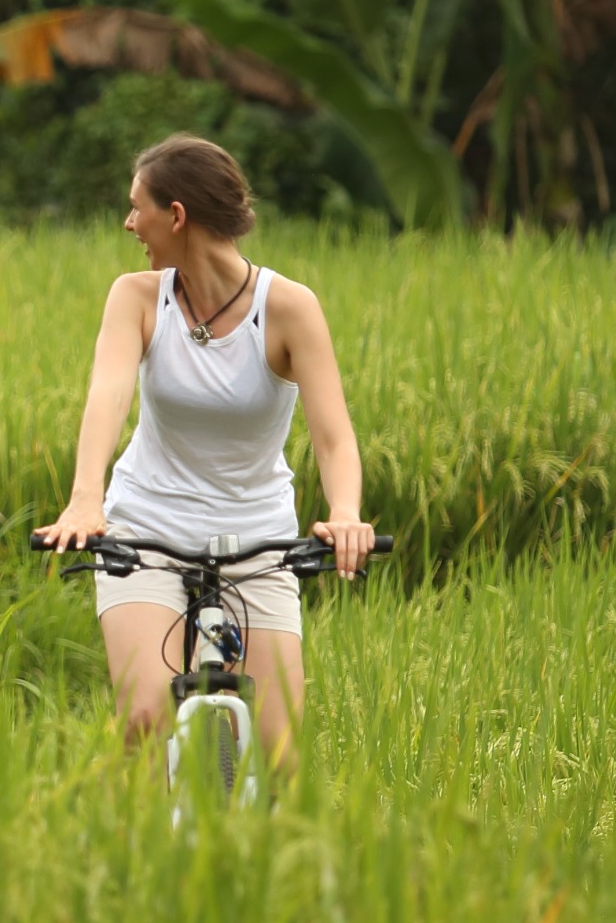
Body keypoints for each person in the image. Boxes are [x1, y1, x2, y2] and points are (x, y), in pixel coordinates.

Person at [32, 134, 374, 770]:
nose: (129, 222)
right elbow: (106, 399)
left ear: (177, 215)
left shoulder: (289, 308)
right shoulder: (136, 297)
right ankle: (136, 856)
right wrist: (85, 501)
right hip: (148, 531)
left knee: (280, 757)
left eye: (138, 208)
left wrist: (346, 512)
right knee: (144, 719)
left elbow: (333, 434)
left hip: (256, 539)